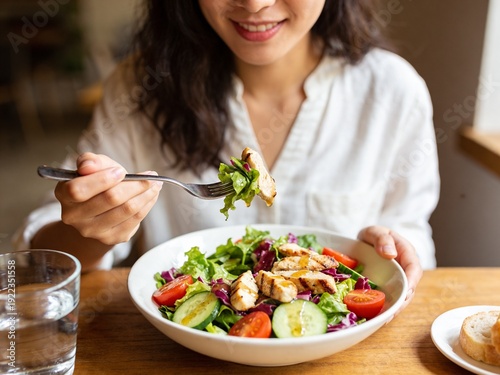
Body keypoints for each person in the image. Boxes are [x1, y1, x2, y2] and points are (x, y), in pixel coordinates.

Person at [14, 0, 440, 313]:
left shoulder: (393, 91)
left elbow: (410, 233)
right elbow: (39, 259)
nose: (255, 4)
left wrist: (392, 249)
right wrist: (92, 225)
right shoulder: (139, 88)